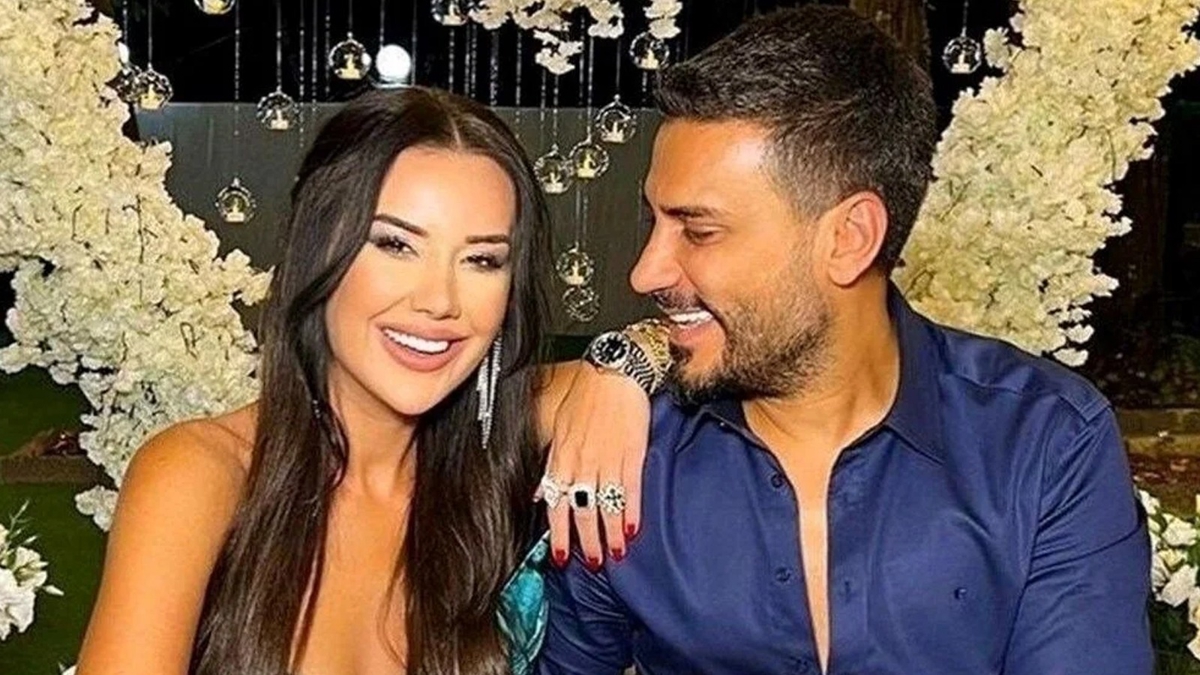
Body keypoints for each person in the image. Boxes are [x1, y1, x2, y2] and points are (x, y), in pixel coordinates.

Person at [539, 6, 1153, 674]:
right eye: (654, 222)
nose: (645, 271)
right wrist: (616, 364)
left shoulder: (1043, 441)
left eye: (699, 230)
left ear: (849, 238)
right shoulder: (628, 454)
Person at [76, 87, 664, 675]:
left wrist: (626, 366)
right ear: (319, 249)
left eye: (482, 260)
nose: (439, 300)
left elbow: (689, 347)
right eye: (395, 244)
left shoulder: (506, 441)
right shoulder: (201, 475)